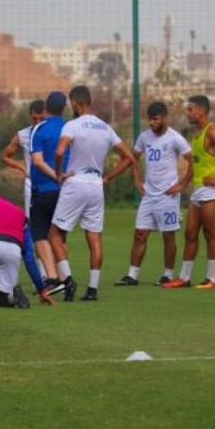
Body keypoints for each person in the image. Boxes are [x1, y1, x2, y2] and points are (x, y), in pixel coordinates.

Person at [48, 86, 140, 301]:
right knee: (94, 237)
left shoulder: (72, 125)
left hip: (75, 182)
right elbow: (130, 157)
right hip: (96, 185)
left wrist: (59, 173)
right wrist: (108, 177)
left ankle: (68, 280)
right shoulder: (105, 128)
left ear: (75, 103)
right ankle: (92, 289)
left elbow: (60, 151)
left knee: (54, 234)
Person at [162, 95, 215, 290]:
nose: (187, 113)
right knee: (190, 233)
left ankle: (211, 278)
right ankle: (184, 278)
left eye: (190, 110)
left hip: (211, 191)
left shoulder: (212, 132)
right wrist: (182, 184)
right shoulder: (197, 134)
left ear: (201, 111)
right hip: (198, 191)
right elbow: (195, 165)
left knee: (210, 233)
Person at [115, 102, 193, 286]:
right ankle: (132, 275)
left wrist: (181, 184)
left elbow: (193, 162)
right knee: (140, 233)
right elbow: (134, 158)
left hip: (168, 195)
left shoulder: (175, 138)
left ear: (165, 118)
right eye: (149, 119)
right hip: (149, 195)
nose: (151, 123)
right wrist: (137, 180)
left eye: (155, 119)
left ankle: (167, 274)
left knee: (168, 235)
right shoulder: (144, 137)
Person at [28, 92, 70, 294]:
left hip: (44, 189)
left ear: (46, 106)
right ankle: (64, 277)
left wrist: (56, 175)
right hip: (66, 191)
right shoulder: (69, 128)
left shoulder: (40, 129)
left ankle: (52, 278)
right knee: (60, 235)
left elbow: (37, 160)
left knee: (39, 233)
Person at [1, 99, 45, 215]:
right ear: (30, 116)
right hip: (31, 182)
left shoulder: (54, 134)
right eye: (35, 119)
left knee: (51, 224)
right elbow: (5, 156)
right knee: (30, 220)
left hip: (50, 181)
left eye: (42, 119)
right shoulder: (23, 135)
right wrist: (21, 167)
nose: (38, 122)